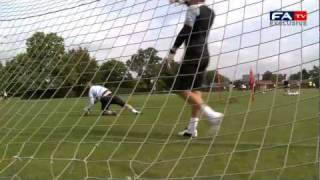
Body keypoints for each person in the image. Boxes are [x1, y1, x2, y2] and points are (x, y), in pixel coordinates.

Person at [166, 0, 224, 138]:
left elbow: (186, 30)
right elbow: (196, 9)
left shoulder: (193, 9)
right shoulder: (210, 12)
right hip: (205, 55)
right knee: (195, 92)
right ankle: (192, 129)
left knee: (179, 88)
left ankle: (211, 115)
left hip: (193, 54)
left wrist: (172, 50)